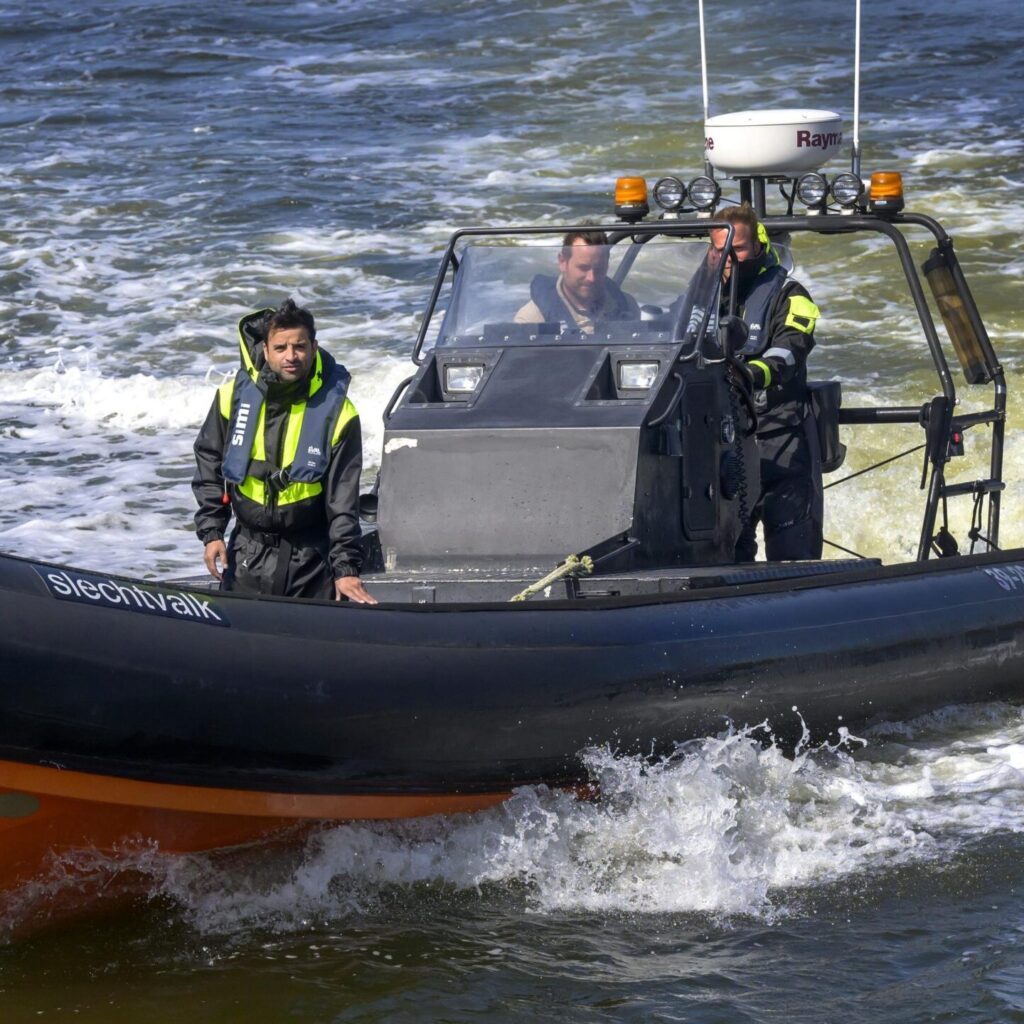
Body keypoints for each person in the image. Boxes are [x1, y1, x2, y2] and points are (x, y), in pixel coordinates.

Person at [193, 298, 377, 604]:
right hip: (244, 556)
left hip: (311, 562)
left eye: (299, 346)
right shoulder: (231, 399)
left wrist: (346, 568)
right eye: (281, 348)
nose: (291, 356)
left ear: (314, 347)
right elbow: (208, 464)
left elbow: (343, 501)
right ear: (266, 350)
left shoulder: (341, 414)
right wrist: (212, 533)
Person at [709, 203, 823, 562]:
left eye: (737, 248)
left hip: (780, 439)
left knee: (792, 555)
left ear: (758, 245)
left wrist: (751, 374)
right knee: (727, 555)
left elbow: (791, 349)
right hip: (724, 447)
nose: (729, 257)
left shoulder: (791, 294)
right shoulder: (701, 298)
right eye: (720, 249)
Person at [514, 229, 640, 333]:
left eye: (599, 269)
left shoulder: (628, 307)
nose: (592, 278)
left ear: (607, 266)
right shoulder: (531, 320)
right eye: (583, 268)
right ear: (563, 262)